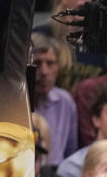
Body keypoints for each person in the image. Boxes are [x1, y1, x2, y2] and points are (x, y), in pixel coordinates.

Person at [30, 33, 77, 166]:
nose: (44, 72)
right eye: (37, 63)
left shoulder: (65, 102)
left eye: (50, 63)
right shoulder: (12, 102)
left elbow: (70, 154)